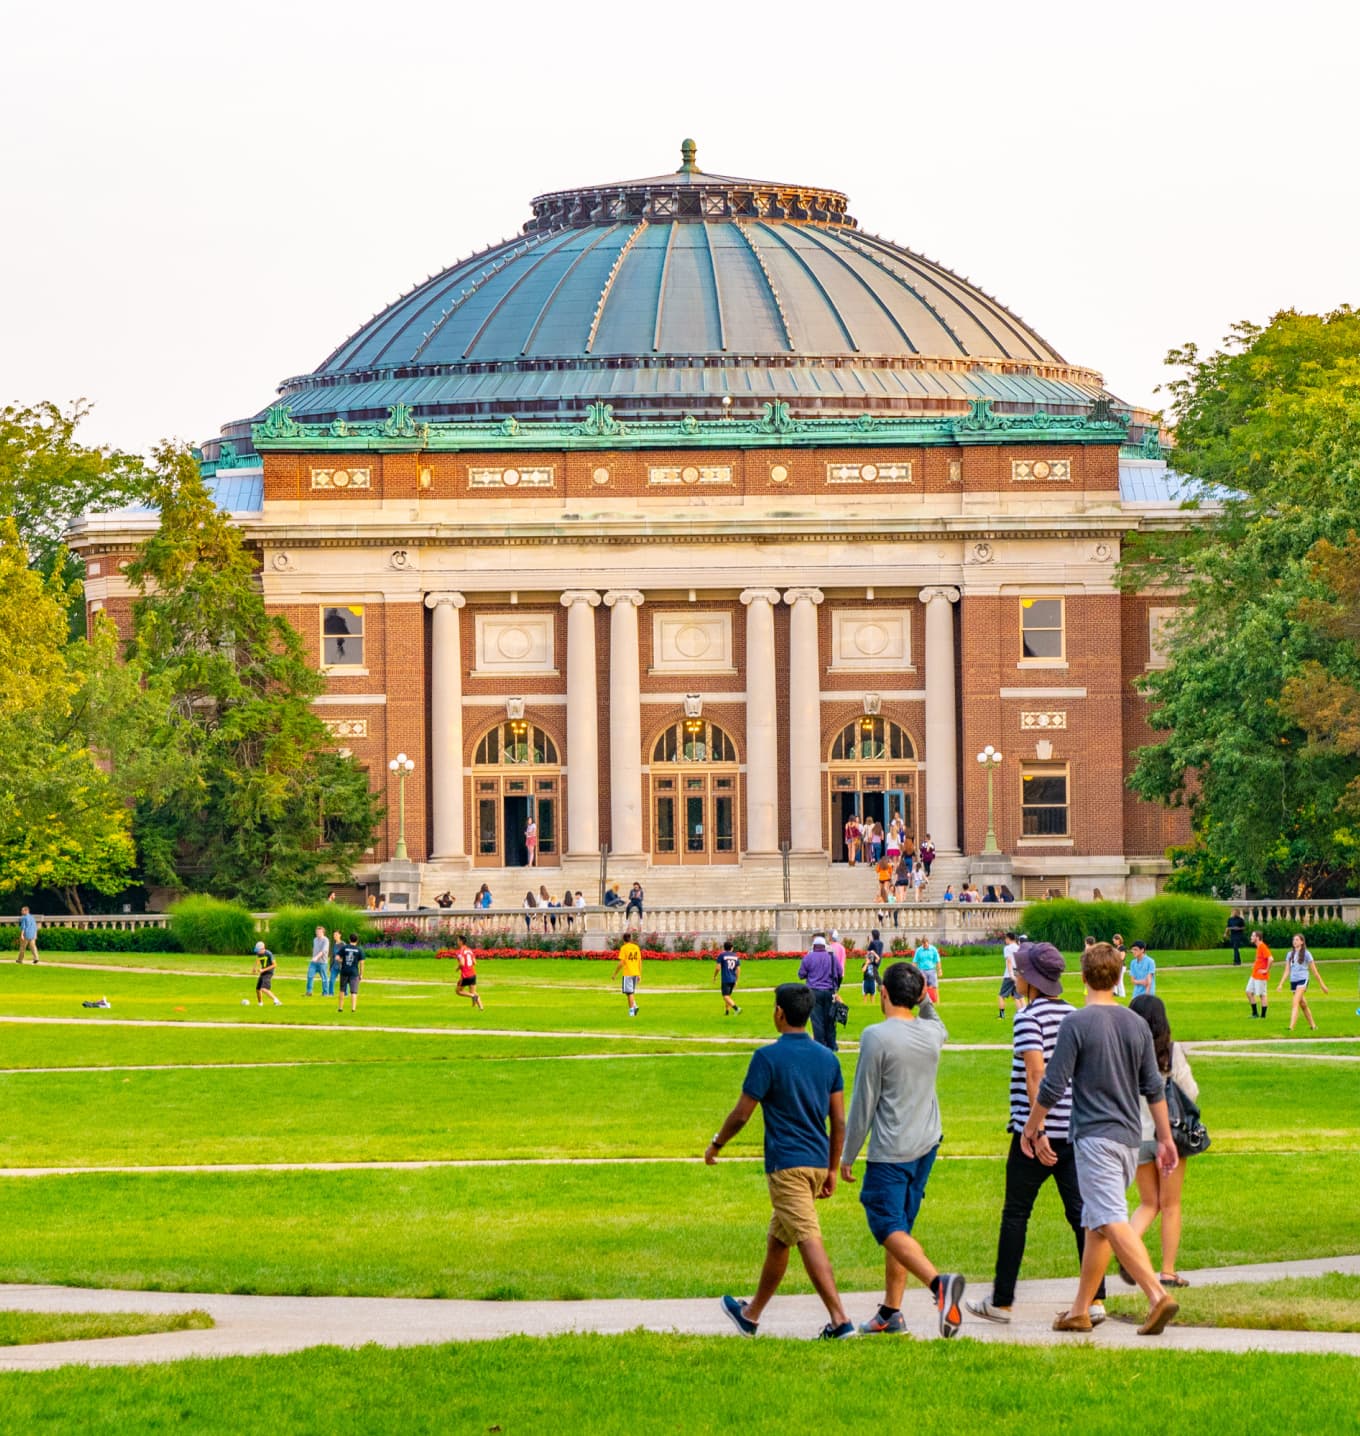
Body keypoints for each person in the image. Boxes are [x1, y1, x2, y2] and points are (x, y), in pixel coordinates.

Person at [1023, 941, 1180, 1337]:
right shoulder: (1136, 1024)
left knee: (1109, 1217)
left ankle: (1157, 1294)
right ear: (1119, 976)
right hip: (1129, 1139)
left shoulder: (1077, 1023)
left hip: (1094, 1138)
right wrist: (1165, 1138)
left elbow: (1053, 1084)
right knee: (1096, 1224)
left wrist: (1033, 1125)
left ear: (1082, 977)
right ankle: (1080, 1310)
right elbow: (1153, 1087)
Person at [966, 941, 1108, 1326]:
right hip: (1074, 1131)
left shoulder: (1028, 1018)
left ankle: (1002, 1299)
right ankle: (1096, 1298)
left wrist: (1036, 1128)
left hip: (1035, 1132)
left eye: (1019, 971)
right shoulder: (1077, 1016)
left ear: (1030, 978)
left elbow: (1035, 1075)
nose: (1015, 976)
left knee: (1016, 1213)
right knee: (1082, 1214)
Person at [708, 983, 854, 1341]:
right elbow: (838, 1121)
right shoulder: (828, 1058)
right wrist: (833, 1168)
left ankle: (840, 1321)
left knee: (806, 1236)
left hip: (787, 1165)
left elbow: (742, 1114)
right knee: (779, 1238)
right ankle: (750, 1314)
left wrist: (717, 1144)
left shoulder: (767, 1058)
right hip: (818, 1162)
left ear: (780, 1013)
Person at [841, 960, 964, 1337]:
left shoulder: (876, 1036)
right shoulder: (932, 1032)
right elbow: (935, 1020)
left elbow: (864, 1100)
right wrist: (924, 995)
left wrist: (847, 1155)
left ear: (884, 993)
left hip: (892, 1148)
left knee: (886, 1222)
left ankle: (938, 1285)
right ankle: (891, 1311)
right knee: (902, 1226)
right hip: (926, 1142)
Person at [1127, 995, 1196, 1290]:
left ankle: (1127, 1251)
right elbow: (1189, 1091)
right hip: (1170, 1135)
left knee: (1147, 1203)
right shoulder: (1170, 1051)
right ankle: (1167, 1270)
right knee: (1170, 1205)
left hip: (1137, 1135)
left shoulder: (1125, 1052)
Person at [797, 935, 841, 1051]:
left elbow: (801, 974)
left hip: (814, 992)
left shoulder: (808, 957)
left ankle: (820, 1046)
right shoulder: (832, 957)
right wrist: (836, 989)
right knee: (830, 1019)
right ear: (824, 946)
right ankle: (832, 1045)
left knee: (817, 1021)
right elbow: (840, 974)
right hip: (830, 991)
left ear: (814, 946)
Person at [1278, 933, 1329, 1031]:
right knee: (1303, 1004)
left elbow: (1314, 971)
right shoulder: (1289, 954)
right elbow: (1287, 970)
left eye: (1297, 940)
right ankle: (1313, 1026)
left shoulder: (1306, 954)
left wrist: (1322, 985)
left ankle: (1291, 1027)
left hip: (1303, 979)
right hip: (1293, 980)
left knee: (1295, 1002)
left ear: (1302, 942)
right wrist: (1281, 983)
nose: (1294, 941)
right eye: (1294, 940)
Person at [613, 931, 642, 1017]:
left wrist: (615, 973)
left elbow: (621, 963)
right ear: (630, 939)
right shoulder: (636, 947)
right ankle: (635, 1006)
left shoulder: (624, 948)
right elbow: (639, 961)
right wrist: (639, 974)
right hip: (635, 972)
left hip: (628, 973)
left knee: (629, 993)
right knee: (628, 992)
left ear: (623, 940)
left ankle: (632, 1012)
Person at [455, 935, 485, 1011]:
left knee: (458, 991)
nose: (457, 942)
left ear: (461, 942)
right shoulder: (469, 950)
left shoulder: (460, 951)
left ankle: (472, 996)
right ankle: (481, 1007)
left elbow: (462, 963)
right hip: (473, 974)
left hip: (465, 975)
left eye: (458, 940)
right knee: (473, 991)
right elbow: (475, 962)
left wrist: (457, 968)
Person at [1246, 930, 1272, 1019]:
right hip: (1254, 975)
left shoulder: (1262, 946)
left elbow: (1271, 959)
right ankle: (1255, 1013)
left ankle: (1263, 1016)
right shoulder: (1258, 947)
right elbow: (1260, 959)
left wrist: (1266, 970)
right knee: (1248, 992)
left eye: (1252, 936)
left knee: (1262, 995)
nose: (1251, 937)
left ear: (1257, 938)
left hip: (1260, 976)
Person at [714, 939, 742, 1015]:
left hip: (726, 979)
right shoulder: (735, 956)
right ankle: (727, 1012)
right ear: (732, 948)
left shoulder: (722, 955)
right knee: (728, 996)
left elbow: (718, 968)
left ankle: (737, 1008)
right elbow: (738, 969)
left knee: (725, 996)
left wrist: (715, 976)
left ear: (724, 948)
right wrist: (736, 980)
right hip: (733, 979)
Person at [998, 932, 1021, 1019]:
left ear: (1008, 938)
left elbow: (1008, 961)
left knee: (1001, 995)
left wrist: (1010, 974)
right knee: (1016, 996)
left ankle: (1001, 1015)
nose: (1005, 940)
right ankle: (1019, 1014)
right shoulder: (1019, 948)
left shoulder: (1007, 948)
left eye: (1005, 939)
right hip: (1018, 972)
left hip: (1009, 973)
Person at [252, 942, 282, 1007]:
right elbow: (258, 960)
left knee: (264, 989)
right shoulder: (259, 954)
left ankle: (277, 1001)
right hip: (263, 972)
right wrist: (254, 968)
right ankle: (260, 1003)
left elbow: (275, 965)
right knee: (258, 989)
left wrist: (263, 970)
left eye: (258, 951)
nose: (257, 953)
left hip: (269, 972)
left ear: (263, 949)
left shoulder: (269, 954)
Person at [913, 937, 941, 1003]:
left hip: (931, 970)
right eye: (924, 945)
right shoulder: (919, 950)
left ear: (928, 943)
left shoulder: (933, 949)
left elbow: (937, 960)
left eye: (926, 944)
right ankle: (922, 1001)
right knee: (922, 987)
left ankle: (937, 1001)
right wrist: (912, 971)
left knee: (934, 986)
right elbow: (915, 961)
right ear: (922, 944)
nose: (925, 946)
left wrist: (939, 970)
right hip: (922, 971)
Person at [306, 925, 331, 997]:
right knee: (310, 976)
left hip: (322, 963)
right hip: (314, 963)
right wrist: (313, 957)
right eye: (316, 932)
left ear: (323, 932)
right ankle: (309, 992)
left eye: (319, 932)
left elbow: (323, 951)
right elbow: (315, 949)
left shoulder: (326, 940)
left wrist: (316, 957)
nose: (317, 933)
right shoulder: (315, 939)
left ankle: (325, 993)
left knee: (324, 978)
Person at [862, 930, 884, 1004]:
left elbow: (869, 951)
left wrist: (869, 943)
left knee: (874, 972)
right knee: (874, 971)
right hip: (879, 959)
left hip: (872, 959)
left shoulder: (872, 943)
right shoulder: (881, 943)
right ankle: (879, 984)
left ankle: (881, 985)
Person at [329, 928, 344, 994]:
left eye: (336, 934)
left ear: (340, 935)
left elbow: (346, 955)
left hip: (342, 966)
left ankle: (345, 993)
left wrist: (341, 960)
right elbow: (332, 956)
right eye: (334, 935)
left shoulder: (343, 944)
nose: (335, 936)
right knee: (331, 980)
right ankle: (331, 993)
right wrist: (330, 966)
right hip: (334, 966)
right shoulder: (333, 944)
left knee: (343, 981)